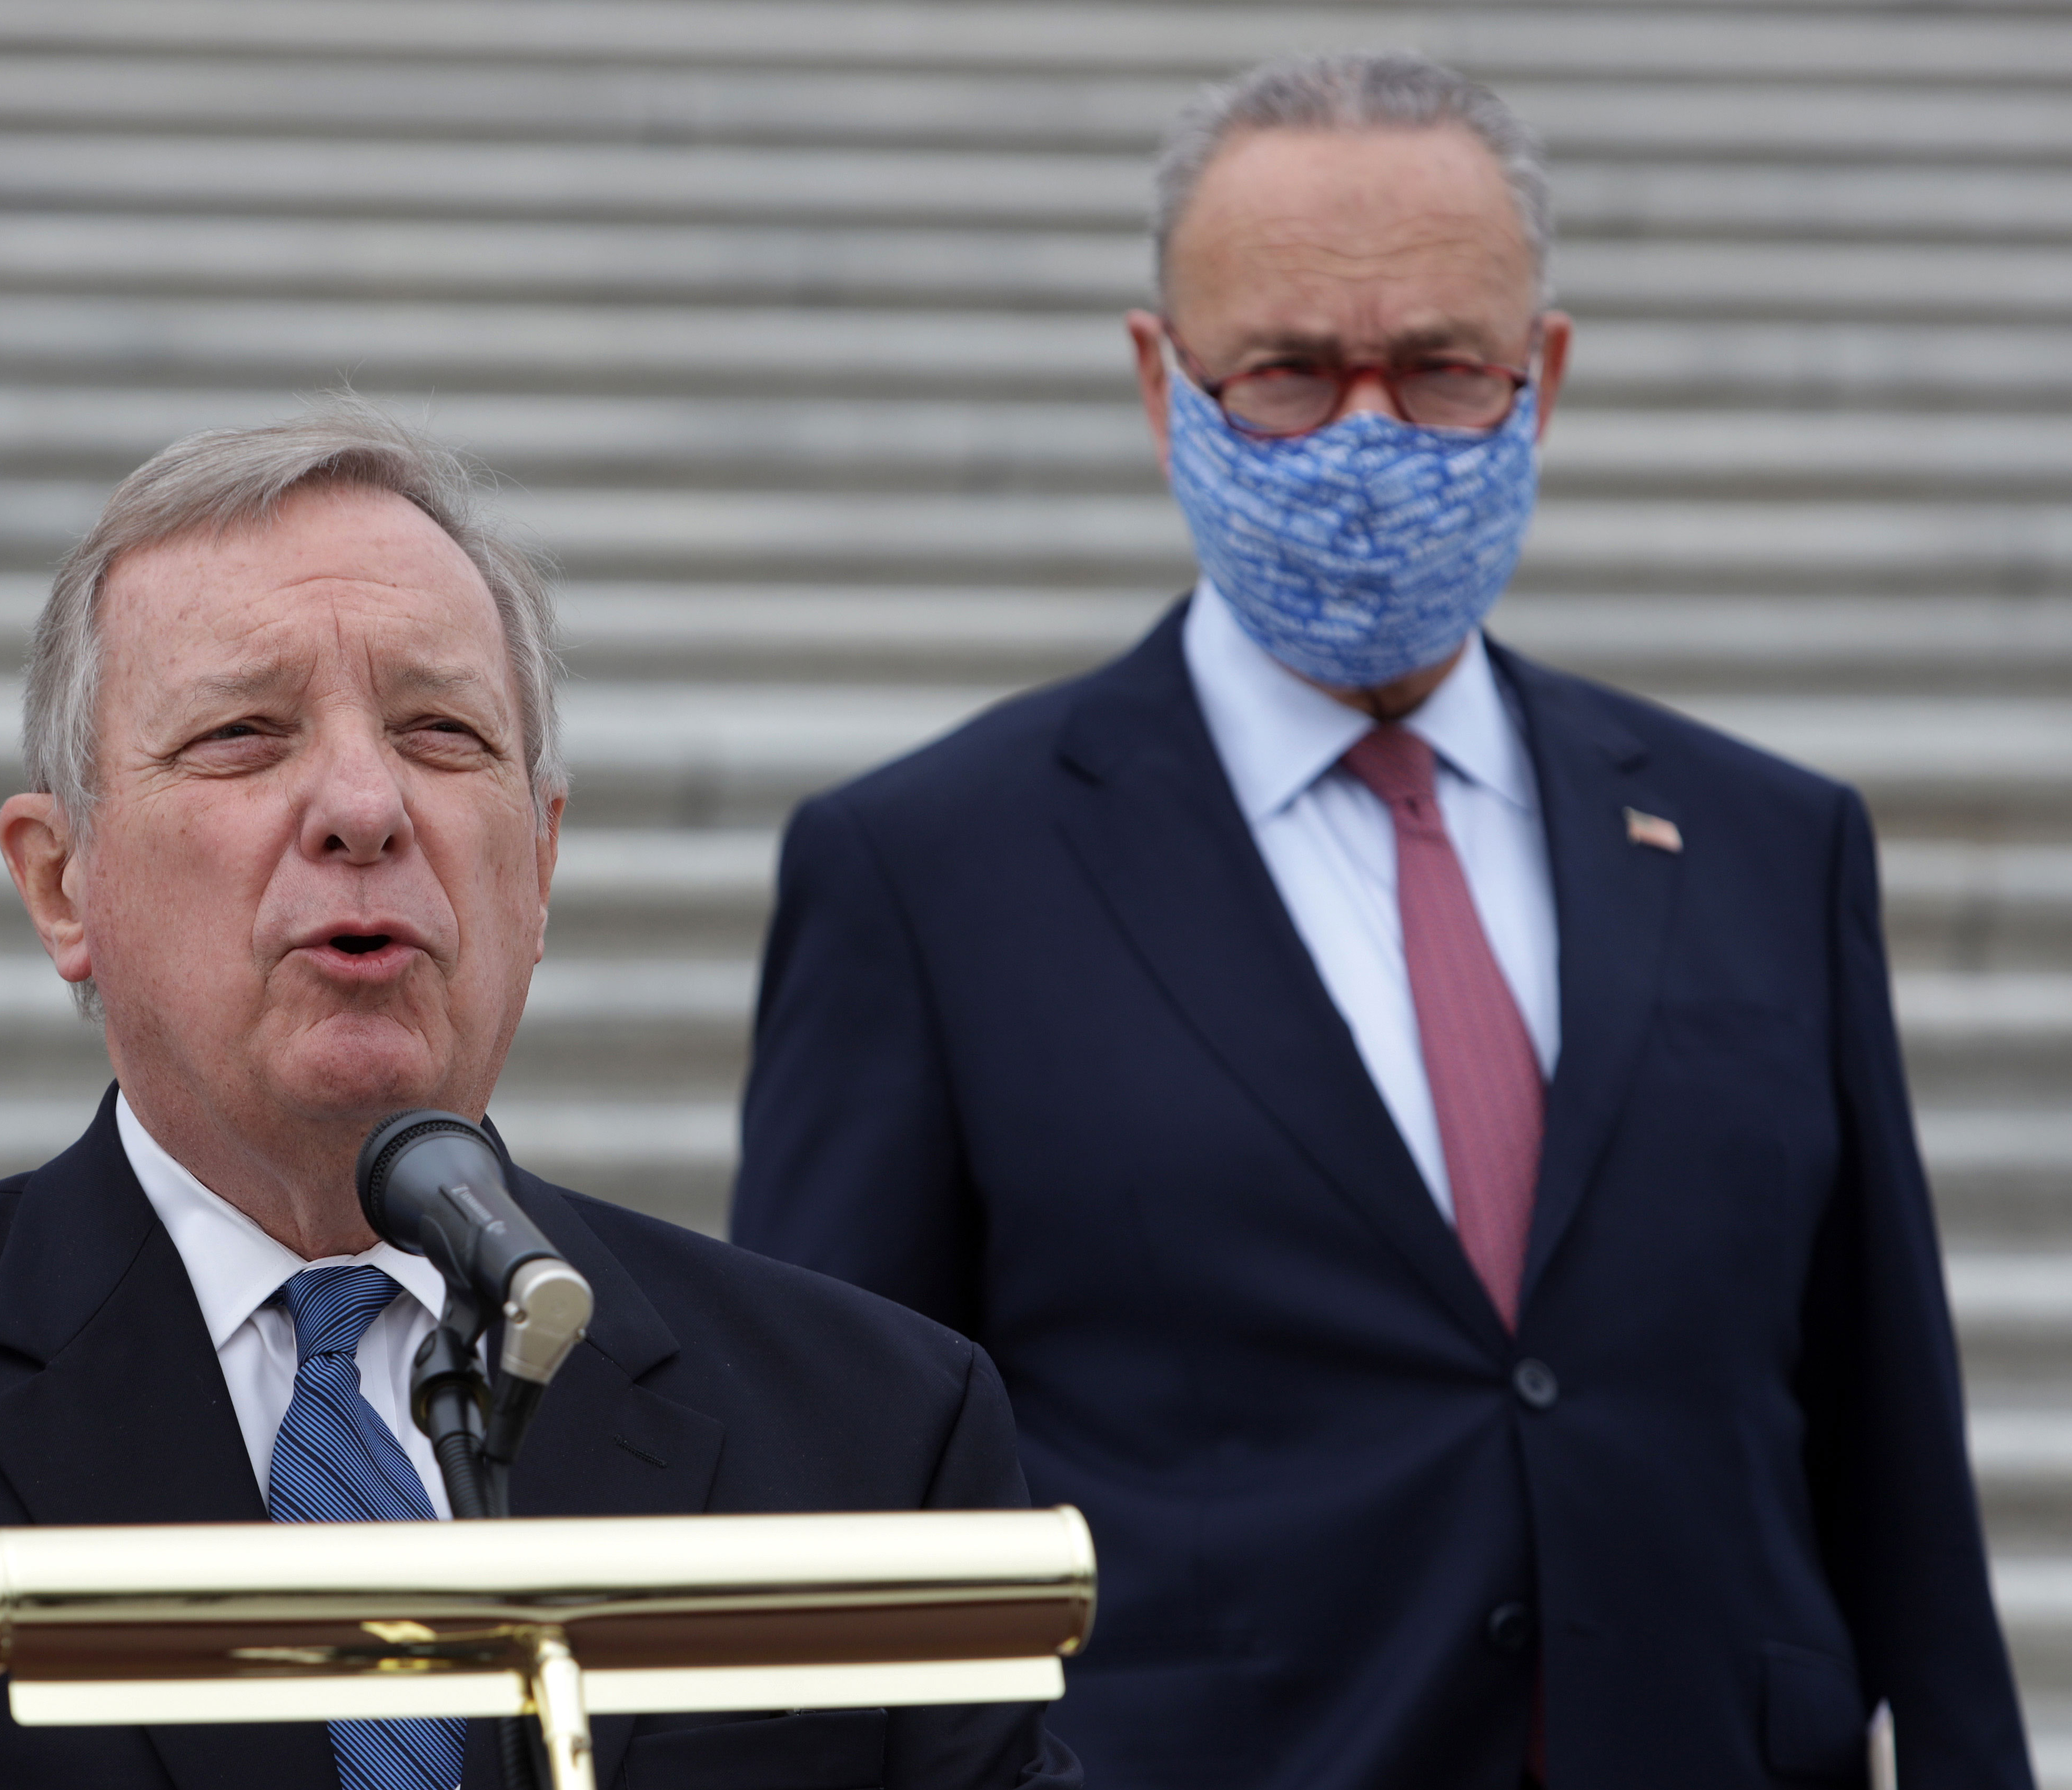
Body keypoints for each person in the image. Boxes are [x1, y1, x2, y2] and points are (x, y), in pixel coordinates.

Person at [731, 51, 2031, 1790]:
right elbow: (835, 1490)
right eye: (1282, 373)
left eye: (1438, 370)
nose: (1364, 434)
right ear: (1158, 380)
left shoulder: (1765, 844)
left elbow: (1897, 1470)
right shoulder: (927, 873)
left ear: (1543, 375)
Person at [0, 401, 1081, 1790]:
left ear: (538, 865)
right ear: (61, 882)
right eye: (244, 735)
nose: (361, 807)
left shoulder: (877, 1429)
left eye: (439, 732)